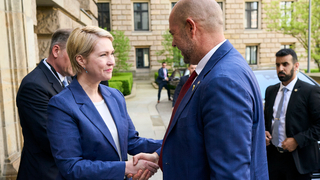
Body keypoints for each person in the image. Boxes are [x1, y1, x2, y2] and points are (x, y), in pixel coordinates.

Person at [133, 0, 268, 179]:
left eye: (173, 34)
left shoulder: (222, 80)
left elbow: (229, 174)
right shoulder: (220, 68)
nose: (173, 43)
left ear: (191, 28)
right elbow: (197, 136)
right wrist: (159, 155)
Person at [46, 26, 162, 180]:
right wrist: (126, 168)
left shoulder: (114, 96)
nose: (111, 61)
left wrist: (173, 141)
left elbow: (132, 142)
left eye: (112, 54)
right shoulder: (62, 105)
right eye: (103, 55)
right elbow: (71, 167)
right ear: (81, 60)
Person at [16, 29, 73, 180]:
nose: (79, 59)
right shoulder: (34, 85)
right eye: (74, 53)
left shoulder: (69, 78)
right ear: (56, 51)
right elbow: (52, 139)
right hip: (45, 173)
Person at [264, 49, 320, 180]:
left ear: (296, 66)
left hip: (298, 161)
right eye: (278, 65)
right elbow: (267, 120)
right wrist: (264, 132)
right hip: (272, 159)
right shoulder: (270, 91)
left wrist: (297, 140)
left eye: (285, 64)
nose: (280, 68)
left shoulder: (310, 91)